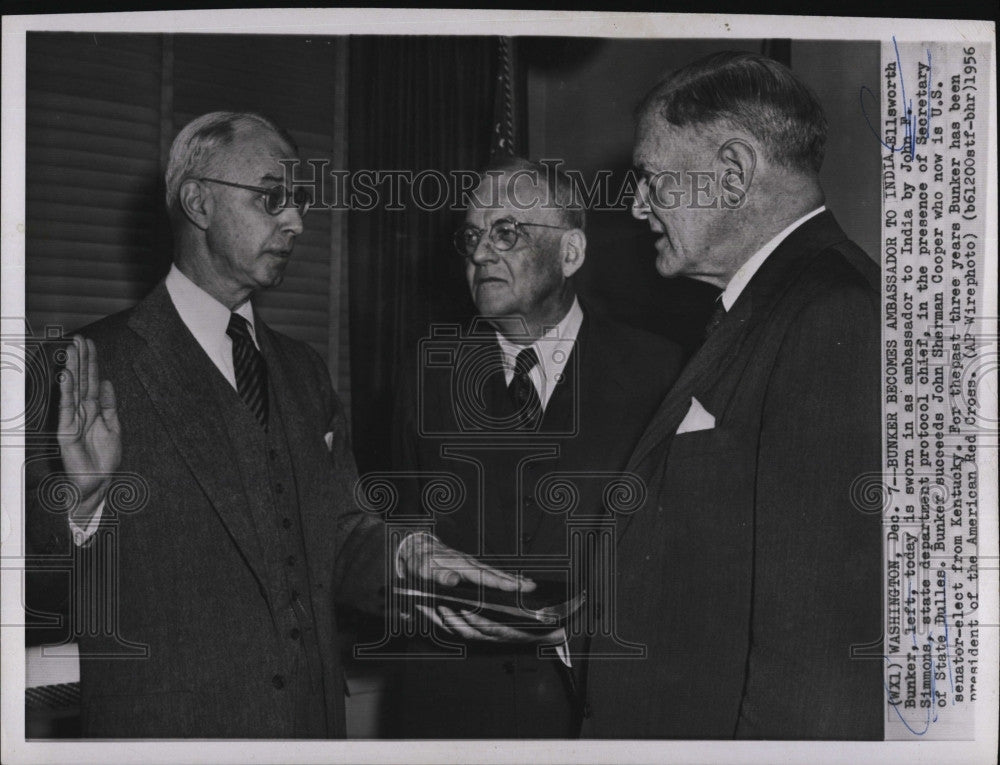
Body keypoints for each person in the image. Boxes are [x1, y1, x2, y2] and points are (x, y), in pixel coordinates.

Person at [25, 111, 527, 738]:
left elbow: (336, 537)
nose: (296, 220)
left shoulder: (303, 371)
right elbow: (29, 599)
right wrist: (79, 505)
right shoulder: (82, 368)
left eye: (300, 201)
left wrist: (405, 554)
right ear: (198, 201)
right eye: (272, 198)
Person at [578, 51, 884, 739]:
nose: (633, 205)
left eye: (649, 178)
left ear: (735, 171)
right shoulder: (764, 308)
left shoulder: (831, 314)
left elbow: (820, 659)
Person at [388, 158, 683, 738]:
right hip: (452, 716)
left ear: (570, 253)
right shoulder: (427, 375)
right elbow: (397, 529)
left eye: (506, 233)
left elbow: (682, 563)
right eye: (471, 236)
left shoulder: (660, 375)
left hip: (596, 713)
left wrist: (589, 621)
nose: (478, 255)